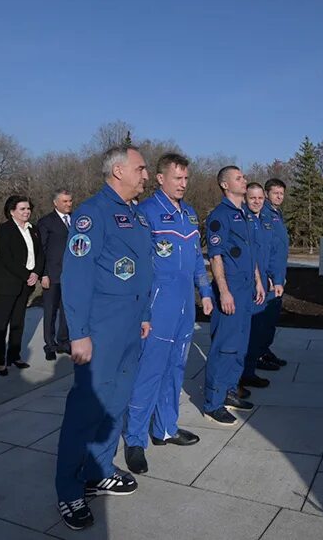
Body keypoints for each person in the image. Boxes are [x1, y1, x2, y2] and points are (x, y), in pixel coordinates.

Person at [54, 146, 154, 531]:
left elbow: (143, 270)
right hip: (101, 329)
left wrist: (144, 316)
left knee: (115, 403)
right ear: (118, 171)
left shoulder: (136, 216)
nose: (145, 176)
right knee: (86, 409)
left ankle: (97, 469)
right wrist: (78, 334)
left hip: (131, 327)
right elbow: (76, 278)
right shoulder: (91, 214)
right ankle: (69, 490)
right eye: (141, 169)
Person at [122, 153, 212, 476]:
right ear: (160, 178)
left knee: (176, 366)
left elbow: (197, 260)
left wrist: (207, 293)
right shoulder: (145, 213)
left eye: (186, 179)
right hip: (159, 305)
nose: (183, 185)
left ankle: (165, 428)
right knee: (150, 370)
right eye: (177, 179)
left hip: (186, 305)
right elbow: (139, 267)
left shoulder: (189, 214)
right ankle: (135, 439)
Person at [201, 166, 265, 426]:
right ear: (225, 185)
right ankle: (213, 402)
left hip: (247, 289)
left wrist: (259, 282)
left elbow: (251, 255)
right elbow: (215, 257)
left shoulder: (246, 215)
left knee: (239, 345)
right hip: (231, 290)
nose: (244, 180)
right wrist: (224, 291)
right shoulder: (220, 216)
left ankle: (230, 390)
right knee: (224, 346)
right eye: (239, 178)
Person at [0, 195, 42, 375]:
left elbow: (40, 253)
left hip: (26, 285)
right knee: (1, 324)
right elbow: (6, 258)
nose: (27, 212)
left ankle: (14, 355)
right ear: (12, 211)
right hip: (6, 284)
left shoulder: (33, 229)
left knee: (18, 322)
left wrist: (36, 273)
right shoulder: (4, 230)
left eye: (28, 209)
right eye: (22, 209)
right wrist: (27, 274)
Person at [240, 182, 274, 390]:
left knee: (257, 330)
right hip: (248, 283)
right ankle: (240, 376)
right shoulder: (242, 218)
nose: (257, 201)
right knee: (245, 333)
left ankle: (249, 371)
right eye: (252, 198)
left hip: (262, 281)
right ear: (246, 198)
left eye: (260, 198)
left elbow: (267, 252)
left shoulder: (264, 219)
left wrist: (269, 276)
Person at [36, 189, 74, 361]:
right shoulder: (46, 222)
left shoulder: (76, 220)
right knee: (50, 311)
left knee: (67, 311)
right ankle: (49, 345)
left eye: (70, 201)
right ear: (55, 203)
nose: (68, 204)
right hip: (52, 274)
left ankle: (63, 342)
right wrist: (43, 274)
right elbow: (41, 250)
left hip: (70, 275)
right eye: (65, 201)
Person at [257, 178, 289, 369]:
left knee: (271, 317)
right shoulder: (265, 214)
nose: (279, 196)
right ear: (267, 193)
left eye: (282, 193)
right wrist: (270, 276)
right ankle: (258, 354)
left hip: (278, 274)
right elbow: (267, 248)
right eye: (276, 192)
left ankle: (265, 349)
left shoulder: (277, 214)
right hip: (270, 276)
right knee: (264, 318)